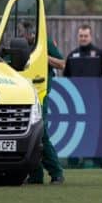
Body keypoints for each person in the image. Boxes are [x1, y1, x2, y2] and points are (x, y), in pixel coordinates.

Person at [64, 24, 102, 168]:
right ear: (78, 37)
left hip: (95, 100)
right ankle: (73, 160)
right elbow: (66, 77)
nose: (83, 38)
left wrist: (100, 88)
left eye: (86, 36)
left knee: (96, 130)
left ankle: (99, 160)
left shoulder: (100, 54)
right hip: (76, 102)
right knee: (76, 129)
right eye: (81, 36)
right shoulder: (72, 56)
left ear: (91, 36)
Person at [28, 37, 66, 185]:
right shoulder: (21, 44)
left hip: (41, 94)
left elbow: (61, 63)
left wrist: (43, 56)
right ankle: (35, 175)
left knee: (40, 134)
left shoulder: (45, 42)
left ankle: (56, 172)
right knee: (30, 134)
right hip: (24, 95)